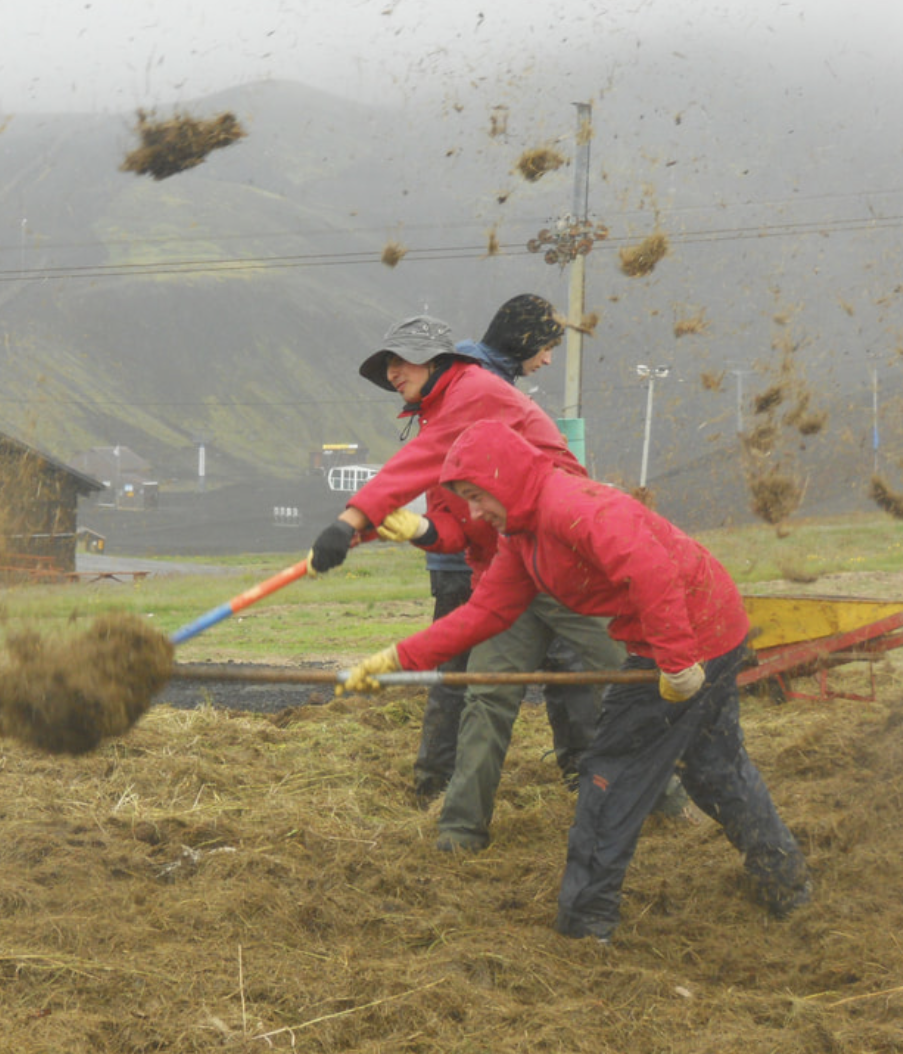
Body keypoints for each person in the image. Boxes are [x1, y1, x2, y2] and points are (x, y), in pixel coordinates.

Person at [343, 418, 811, 941]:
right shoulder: (522, 537)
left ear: (506, 477)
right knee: (713, 765)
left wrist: (677, 663)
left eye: (477, 496)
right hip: (710, 627)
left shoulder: (572, 508)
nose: (475, 513)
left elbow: (651, 569)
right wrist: (393, 659)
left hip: (690, 635)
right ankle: (785, 883)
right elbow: (485, 614)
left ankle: (586, 925)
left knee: (610, 775)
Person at [309, 314, 629, 852]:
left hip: (563, 557)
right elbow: (458, 527)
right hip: (508, 567)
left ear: (437, 361)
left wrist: (350, 521)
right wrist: (411, 530)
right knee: (486, 696)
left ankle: (665, 801)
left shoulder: (476, 392)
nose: (391, 372)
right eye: (386, 363)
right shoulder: (437, 421)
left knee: (627, 678)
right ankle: (459, 834)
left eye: (401, 359)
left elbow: (412, 466)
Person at [413, 294, 598, 803]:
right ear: (523, 340)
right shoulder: (482, 389)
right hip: (481, 551)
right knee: (558, 658)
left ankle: (437, 780)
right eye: (545, 347)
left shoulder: (473, 379)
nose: (548, 360)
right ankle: (579, 771)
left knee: (465, 664)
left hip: (482, 548)